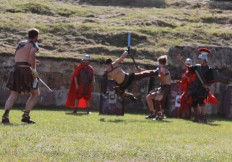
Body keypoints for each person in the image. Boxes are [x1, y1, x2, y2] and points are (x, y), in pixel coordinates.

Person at [2, 28, 40, 124]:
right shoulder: (34, 44)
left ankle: (5, 116)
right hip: (26, 70)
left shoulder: (21, 43)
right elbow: (32, 55)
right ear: (36, 37)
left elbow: (18, 56)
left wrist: (29, 62)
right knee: (35, 93)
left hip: (16, 69)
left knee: (13, 95)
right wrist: (34, 69)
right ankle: (26, 116)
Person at [188, 48, 214, 123]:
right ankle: (197, 116)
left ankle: (202, 117)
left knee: (201, 102)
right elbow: (189, 69)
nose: (200, 60)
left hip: (203, 88)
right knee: (194, 102)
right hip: (196, 87)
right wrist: (182, 61)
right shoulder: (196, 66)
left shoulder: (209, 69)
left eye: (201, 59)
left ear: (205, 60)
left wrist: (207, 86)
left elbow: (211, 81)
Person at [146, 55, 171, 120]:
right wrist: (142, 71)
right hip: (161, 87)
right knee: (149, 97)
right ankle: (153, 113)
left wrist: (158, 75)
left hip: (166, 88)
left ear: (160, 63)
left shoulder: (164, 69)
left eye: (158, 62)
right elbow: (152, 72)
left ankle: (160, 115)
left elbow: (161, 75)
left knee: (157, 99)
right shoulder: (160, 69)